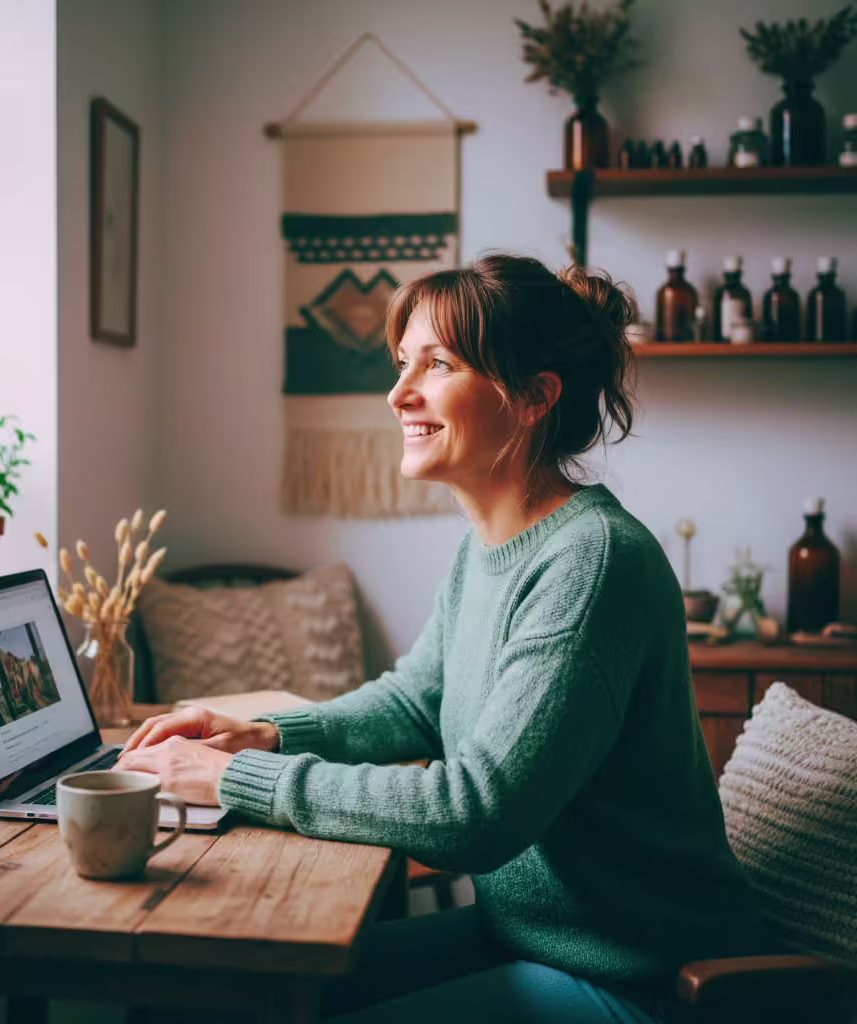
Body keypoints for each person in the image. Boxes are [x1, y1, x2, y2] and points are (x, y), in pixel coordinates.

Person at [117, 254, 769, 1023]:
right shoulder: (490, 547)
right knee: (211, 996)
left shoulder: (593, 563)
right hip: (529, 939)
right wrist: (259, 736)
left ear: (532, 398)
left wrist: (232, 782)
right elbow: (415, 701)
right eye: (401, 365)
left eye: (438, 364)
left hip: (639, 979)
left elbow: (475, 814)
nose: (399, 394)